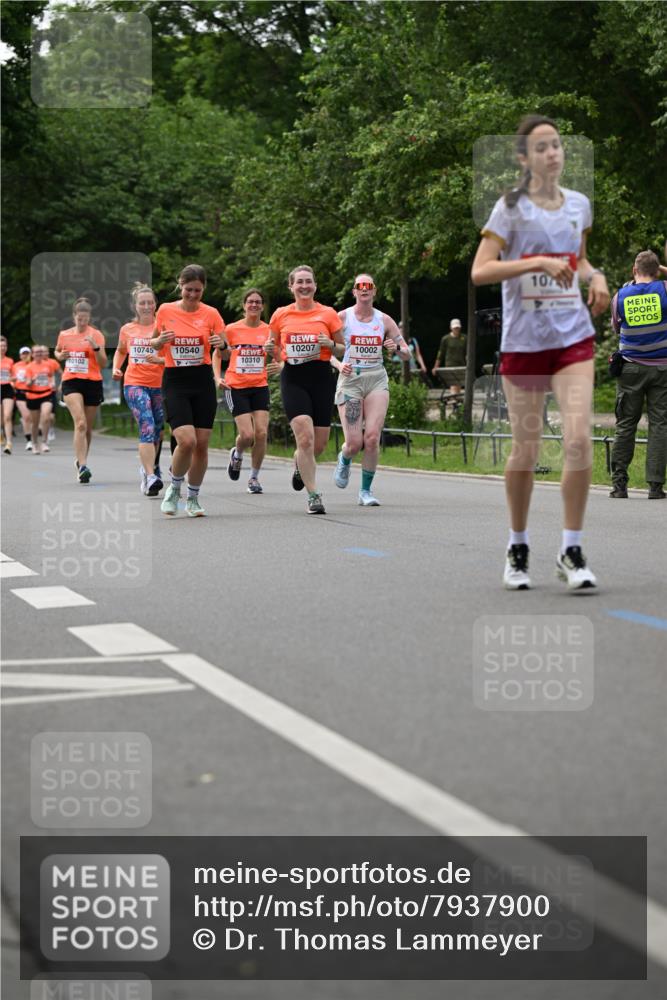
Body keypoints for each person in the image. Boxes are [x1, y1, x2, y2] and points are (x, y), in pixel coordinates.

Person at [471, 114, 610, 590]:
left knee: (577, 439)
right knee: (526, 451)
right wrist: (536, 262)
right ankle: (518, 544)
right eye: (543, 147)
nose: (554, 153)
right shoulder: (509, 208)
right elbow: (481, 271)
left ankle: (571, 549)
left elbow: (580, 257)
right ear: (524, 158)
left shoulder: (579, 205)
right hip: (525, 343)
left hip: (572, 338)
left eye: (557, 145)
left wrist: (597, 277)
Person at [265, 265, 345, 514]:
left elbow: (342, 349)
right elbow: (273, 345)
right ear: (291, 287)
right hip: (294, 378)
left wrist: (330, 343)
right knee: (305, 438)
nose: (304, 286)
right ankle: (313, 495)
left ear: (315, 286)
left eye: (308, 281)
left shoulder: (328, 313)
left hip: (321, 377)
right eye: (299, 282)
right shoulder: (280, 314)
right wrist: (275, 356)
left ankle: (300, 465)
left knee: (318, 445)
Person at [150, 264, 225, 517]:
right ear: (180, 286)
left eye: (198, 290)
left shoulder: (211, 313)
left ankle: (193, 498)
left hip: (202, 380)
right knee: (187, 440)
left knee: (202, 444)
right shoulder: (166, 310)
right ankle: (174, 487)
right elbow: (153, 341)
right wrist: (158, 342)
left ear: (203, 289)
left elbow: (225, 349)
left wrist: (221, 344)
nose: (193, 295)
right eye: (188, 290)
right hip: (175, 380)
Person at [331, 273, 410, 505]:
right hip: (351, 381)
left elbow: (407, 353)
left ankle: (366, 491)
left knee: (373, 437)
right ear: (354, 291)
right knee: (355, 442)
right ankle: (345, 458)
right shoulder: (342, 318)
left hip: (376, 379)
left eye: (369, 286)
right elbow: (326, 350)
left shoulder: (384, 320)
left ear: (374, 291)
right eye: (359, 286)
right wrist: (338, 364)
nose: (364, 289)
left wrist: (395, 346)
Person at [609, 250, 667, 500]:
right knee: (660, 426)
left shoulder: (619, 296)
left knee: (625, 425)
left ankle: (619, 485)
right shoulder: (664, 290)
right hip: (662, 370)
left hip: (630, 369)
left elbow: (616, 327)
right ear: (657, 271)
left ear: (634, 270)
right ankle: (655, 486)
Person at [213, 288, 277, 494]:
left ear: (263, 306)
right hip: (236, 387)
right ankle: (238, 453)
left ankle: (254, 478)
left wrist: (278, 363)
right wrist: (217, 377)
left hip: (259, 386)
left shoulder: (269, 331)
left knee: (261, 433)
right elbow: (217, 354)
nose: (254, 305)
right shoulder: (231, 329)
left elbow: (280, 356)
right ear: (244, 305)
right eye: (250, 302)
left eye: (258, 302)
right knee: (247, 435)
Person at [112, 283, 166, 497]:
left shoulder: (163, 328)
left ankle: (149, 466)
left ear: (155, 304)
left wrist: (159, 360)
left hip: (160, 385)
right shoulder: (127, 329)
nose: (146, 306)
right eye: (142, 303)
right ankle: (150, 475)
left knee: (158, 430)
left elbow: (172, 357)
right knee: (147, 424)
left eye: (149, 302)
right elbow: (120, 351)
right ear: (135, 306)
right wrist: (117, 367)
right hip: (134, 383)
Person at [55, 298, 107, 483]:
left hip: (92, 381)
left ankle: (80, 460)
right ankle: (84, 466)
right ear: (74, 316)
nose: (82, 322)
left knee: (88, 429)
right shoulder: (65, 335)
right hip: (71, 381)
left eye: (85, 319)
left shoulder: (96, 335)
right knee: (81, 423)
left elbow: (103, 363)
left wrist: (95, 347)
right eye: (79, 319)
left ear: (89, 317)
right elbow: (58, 351)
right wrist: (60, 355)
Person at [24, 344, 58, 454]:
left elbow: (51, 375)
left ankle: (44, 441)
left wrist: (52, 382)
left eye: (40, 352)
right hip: (33, 395)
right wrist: (32, 380)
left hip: (46, 394)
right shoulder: (29, 367)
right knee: (35, 423)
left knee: (47, 416)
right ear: (32, 354)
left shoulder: (48, 365)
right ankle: (34, 443)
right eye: (36, 352)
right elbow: (27, 383)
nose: (39, 354)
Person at [432, 318, 467, 396]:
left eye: (458, 327)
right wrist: (435, 367)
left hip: (461, 364)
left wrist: (468, 365)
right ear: (451, 328)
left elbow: (467, 353)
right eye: (455, 328)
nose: (456, 329)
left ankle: (456, 401)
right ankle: (455, 400)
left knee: (459, 384)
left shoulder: (464, 338)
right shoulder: (446, 339)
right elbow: (440, 353)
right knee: (453, 384)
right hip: (450, 364)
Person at [11, 346, 33, 449]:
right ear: (20, 355)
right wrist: (14, 380)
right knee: (26, 416)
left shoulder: (34, 365)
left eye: (27, 353)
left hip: (33, 392)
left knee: (32, 418)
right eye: (23, 353)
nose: (25, 355)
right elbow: (9, 378)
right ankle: (29, 440)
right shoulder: (15, 366)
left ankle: (33, 436)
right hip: (20, 393)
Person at [0, 336, 15, 454]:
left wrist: (12, 379)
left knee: (7, 416)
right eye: (1, 346)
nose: (3, 348)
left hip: (7, 388)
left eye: (4, 346)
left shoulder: (10, 361)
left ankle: (9, 443)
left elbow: (14, 376)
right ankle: (1, 434)